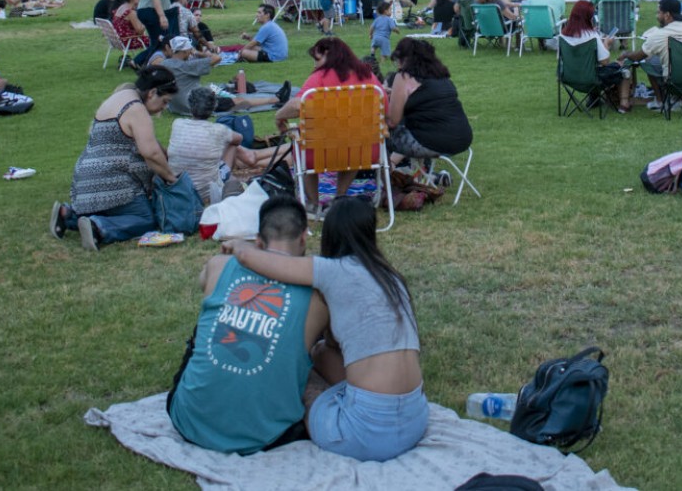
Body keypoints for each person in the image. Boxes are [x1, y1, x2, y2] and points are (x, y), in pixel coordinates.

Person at [224, 197, 426, 462]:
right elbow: (333, 347)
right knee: (321, 351)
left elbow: (254, 260)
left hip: (362, 436)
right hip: (415, 421)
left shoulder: (333, 271)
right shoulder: (391, 278)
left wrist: (239, 245)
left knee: (302, 372)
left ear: (329, 236)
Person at [167, 196, 332, 454]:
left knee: (206, 323)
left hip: (189, 419)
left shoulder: (220, 266)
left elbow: (203, 285)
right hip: (266, 435)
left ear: (257, 242)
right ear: (303, 239)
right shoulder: (318, 297)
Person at [49, 66, 181, 251]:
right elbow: (151, 153)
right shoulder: (136, 109)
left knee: (114, 210)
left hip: (85, 183)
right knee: (146, 220)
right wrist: (171, 178)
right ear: (152, 93)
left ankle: (69, 215)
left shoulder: (122, 96)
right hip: (114, 183)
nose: (164, 108)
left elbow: (151, 144)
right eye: (165, 101)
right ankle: (99, 228)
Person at [275, 37, 384, 200]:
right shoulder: (368, 76)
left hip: (319, 154)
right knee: (354, 139)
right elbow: (386, 110)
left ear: (328, 55)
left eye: (317, 59)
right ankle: (340, 195)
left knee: (304, 142)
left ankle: (312, 202)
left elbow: (298, 105)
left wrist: (279, 116)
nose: (314, 65)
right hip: (365, 152)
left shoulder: (319, 78)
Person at [385, 38, 472, 167]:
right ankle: (412, 174)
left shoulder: (404, 76)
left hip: (432, 142)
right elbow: (422, 98)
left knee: (376, 136)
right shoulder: (442, 77)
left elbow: (392, 121)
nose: (398, 65)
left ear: (404, 59)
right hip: (462, 139)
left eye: (398, 60)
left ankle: (383, 177)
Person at [560, 0, 633, 113]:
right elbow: (605, 62)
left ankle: (594, 98)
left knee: (594, 68)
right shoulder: (591, 36)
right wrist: (606, 44)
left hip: (568, 76)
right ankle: (624, 103)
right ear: (589, 17)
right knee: (624, 65)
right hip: (591, 78)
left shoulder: (563, 35)